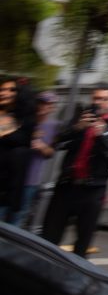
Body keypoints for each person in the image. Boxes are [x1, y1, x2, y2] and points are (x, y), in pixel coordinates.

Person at [41, 85, 108, 257]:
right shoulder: (81, 118)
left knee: (83, 240)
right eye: (96, 98)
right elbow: (57, 141)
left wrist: (103, 135)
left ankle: (74, 278)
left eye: (104, 99)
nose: (99, 102)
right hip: (67, 185)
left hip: (93, 189)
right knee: (49, 236)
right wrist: (77, 128)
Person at [14, 91, 59, 229]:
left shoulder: (54, 126)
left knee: (19, 217)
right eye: (42, 103)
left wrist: (42, 146)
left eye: (49, 104)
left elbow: (51, 152)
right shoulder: (23, 120)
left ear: (53, 107)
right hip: (11, 175)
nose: (45, 107)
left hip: (31, 180)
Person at [0, 78, 33, 223]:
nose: (4, 93)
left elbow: (21, 141)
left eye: (11, 90)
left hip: (5, 187)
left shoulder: (25, 120)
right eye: (2, 89)